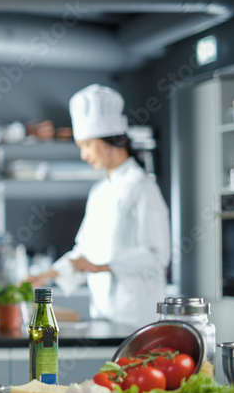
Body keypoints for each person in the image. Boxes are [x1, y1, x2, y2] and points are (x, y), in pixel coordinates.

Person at [27, 84, 170, 328]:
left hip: (137, 318)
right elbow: (84, 253)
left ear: (108, 141)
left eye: (86, 145)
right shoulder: (100, 191)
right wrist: (45, 276)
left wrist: (104, 266)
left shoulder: (142, 187)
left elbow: (158, 256)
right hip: (104, 315)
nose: (83, 155)